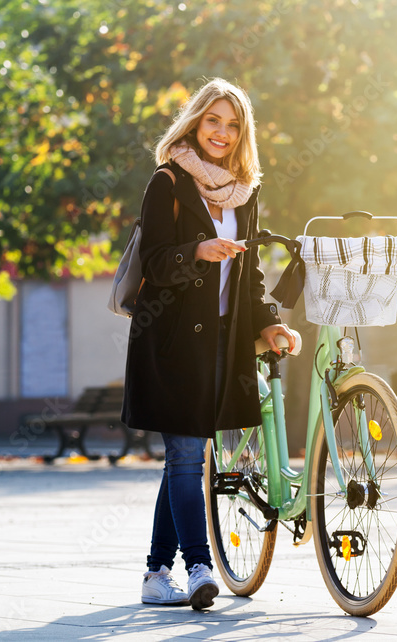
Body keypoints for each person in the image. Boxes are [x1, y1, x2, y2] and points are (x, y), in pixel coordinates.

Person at [121, 78, 297, 610]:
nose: (221, 132)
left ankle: (156, 573)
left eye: (233, 124)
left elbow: (251, 275)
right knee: (185, 454)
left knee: (185, 454)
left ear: (244, 134)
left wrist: (266, 323)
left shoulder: (246, 192)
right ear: (195, 122)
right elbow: (152, 261)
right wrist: (197, 250)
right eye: (213, 120)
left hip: (222, 342)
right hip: (172, 341)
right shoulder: (168, 182)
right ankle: (199, 567)